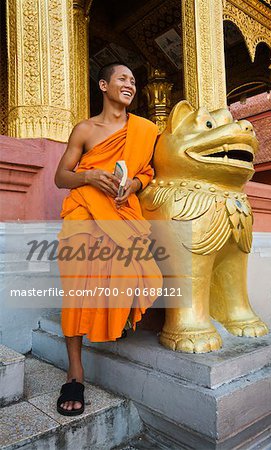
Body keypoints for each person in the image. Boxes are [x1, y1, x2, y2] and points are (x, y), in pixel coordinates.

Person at [54, 62, 162, 416]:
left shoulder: (145, 130)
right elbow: (61, 177)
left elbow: (148, 170)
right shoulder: (85, 129)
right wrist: (89, 176)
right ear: (104, 85)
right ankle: (75, 372)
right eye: (122, 78)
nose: (130, 84)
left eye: (133, 79)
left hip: (122, 210)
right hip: (84, 212)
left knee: (139, 272)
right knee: (77, 289)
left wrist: (136, 184)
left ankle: (116, 319)